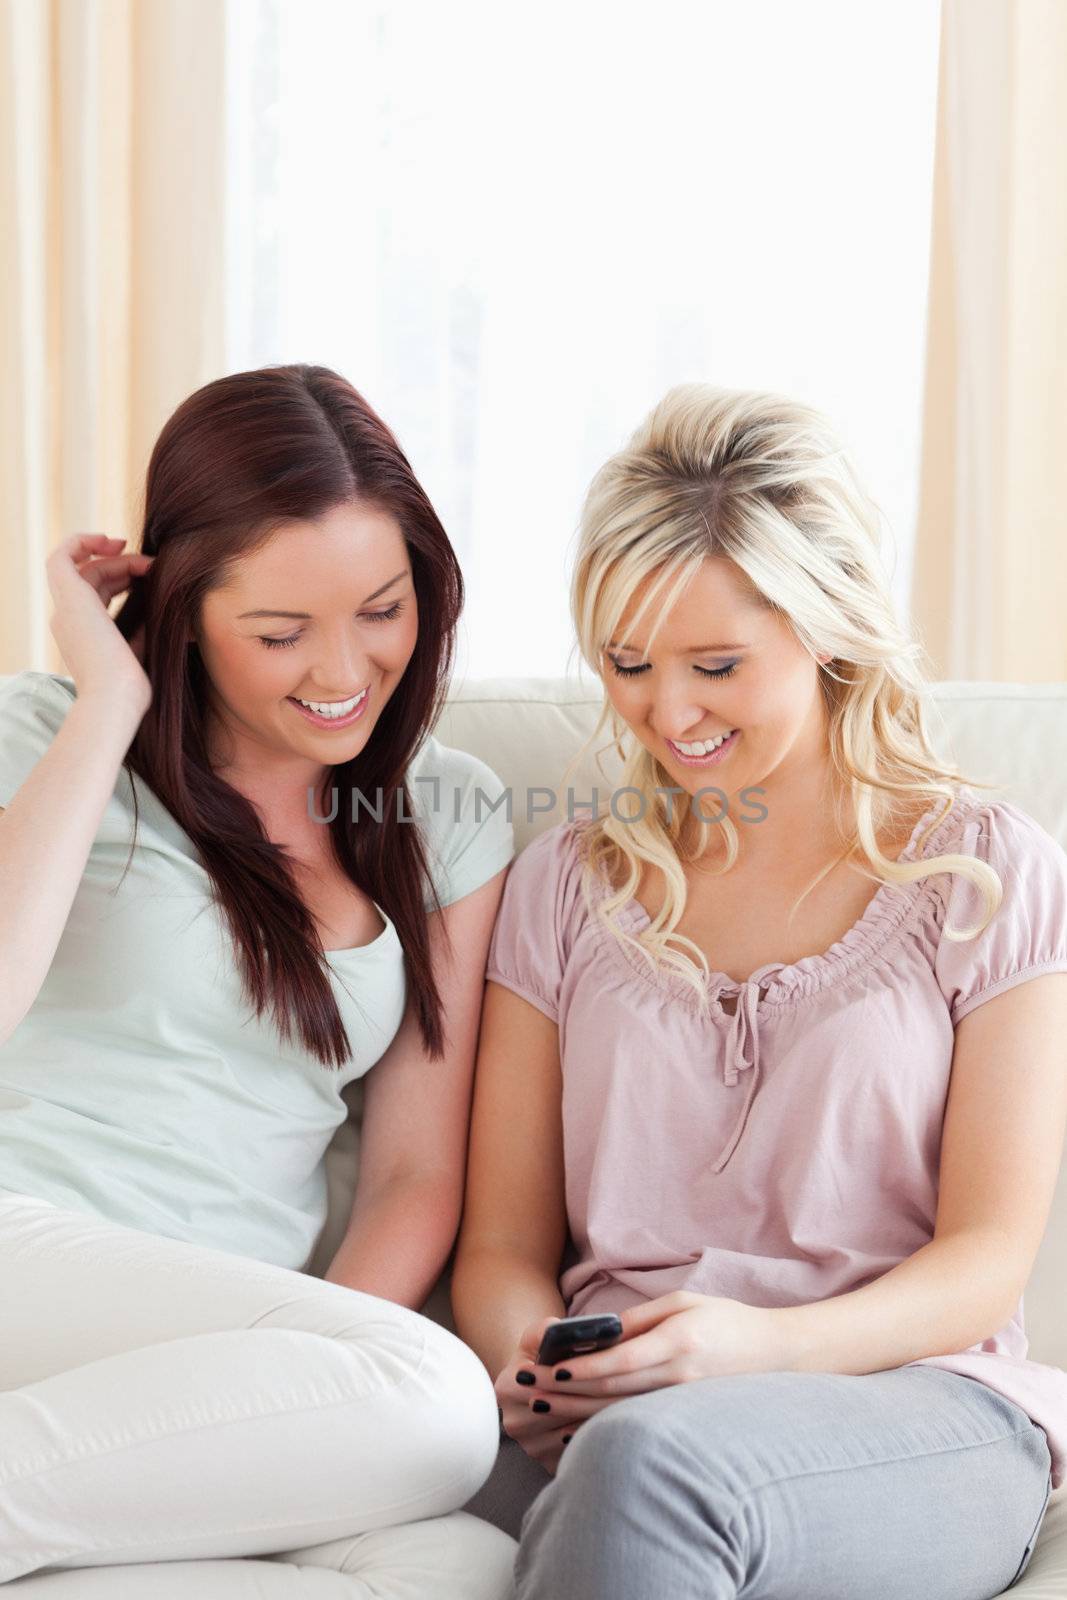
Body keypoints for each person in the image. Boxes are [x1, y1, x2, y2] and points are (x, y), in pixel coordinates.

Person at [453, 383, 1067, 1598]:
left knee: (651, 1468)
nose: (664, 712)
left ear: (827, 626)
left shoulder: (987, 871)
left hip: (906, 1401)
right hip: (615, 1403)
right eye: (626, 663)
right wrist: (536, 1368)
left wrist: (754, 1349)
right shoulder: (563, 885)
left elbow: (986, 1257)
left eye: (716, 664)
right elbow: (499, 1247)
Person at [0, 365, 519, 1597]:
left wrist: (308, 1383)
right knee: (434, 1402)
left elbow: (412, 1174)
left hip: (218, 1337)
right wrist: (106, 705)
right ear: (180, 609)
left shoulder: (444, 814)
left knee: (458, 1561)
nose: (341, 669)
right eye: (279, 633)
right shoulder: (46, 733)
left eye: (381, 610)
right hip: (23, 1247)